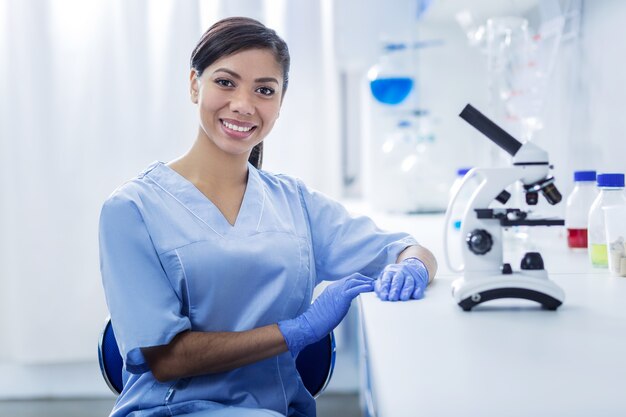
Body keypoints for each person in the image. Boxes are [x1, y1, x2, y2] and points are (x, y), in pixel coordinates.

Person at [99, 16, 437, 417]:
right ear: (194, 84)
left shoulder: (295, 202)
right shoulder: (131, 210)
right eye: (226, 82)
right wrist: (297, 331)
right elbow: (167, 360)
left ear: (279, 103)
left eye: (264, 90)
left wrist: (413, 266)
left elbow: (406, 248)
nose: (243, 104)